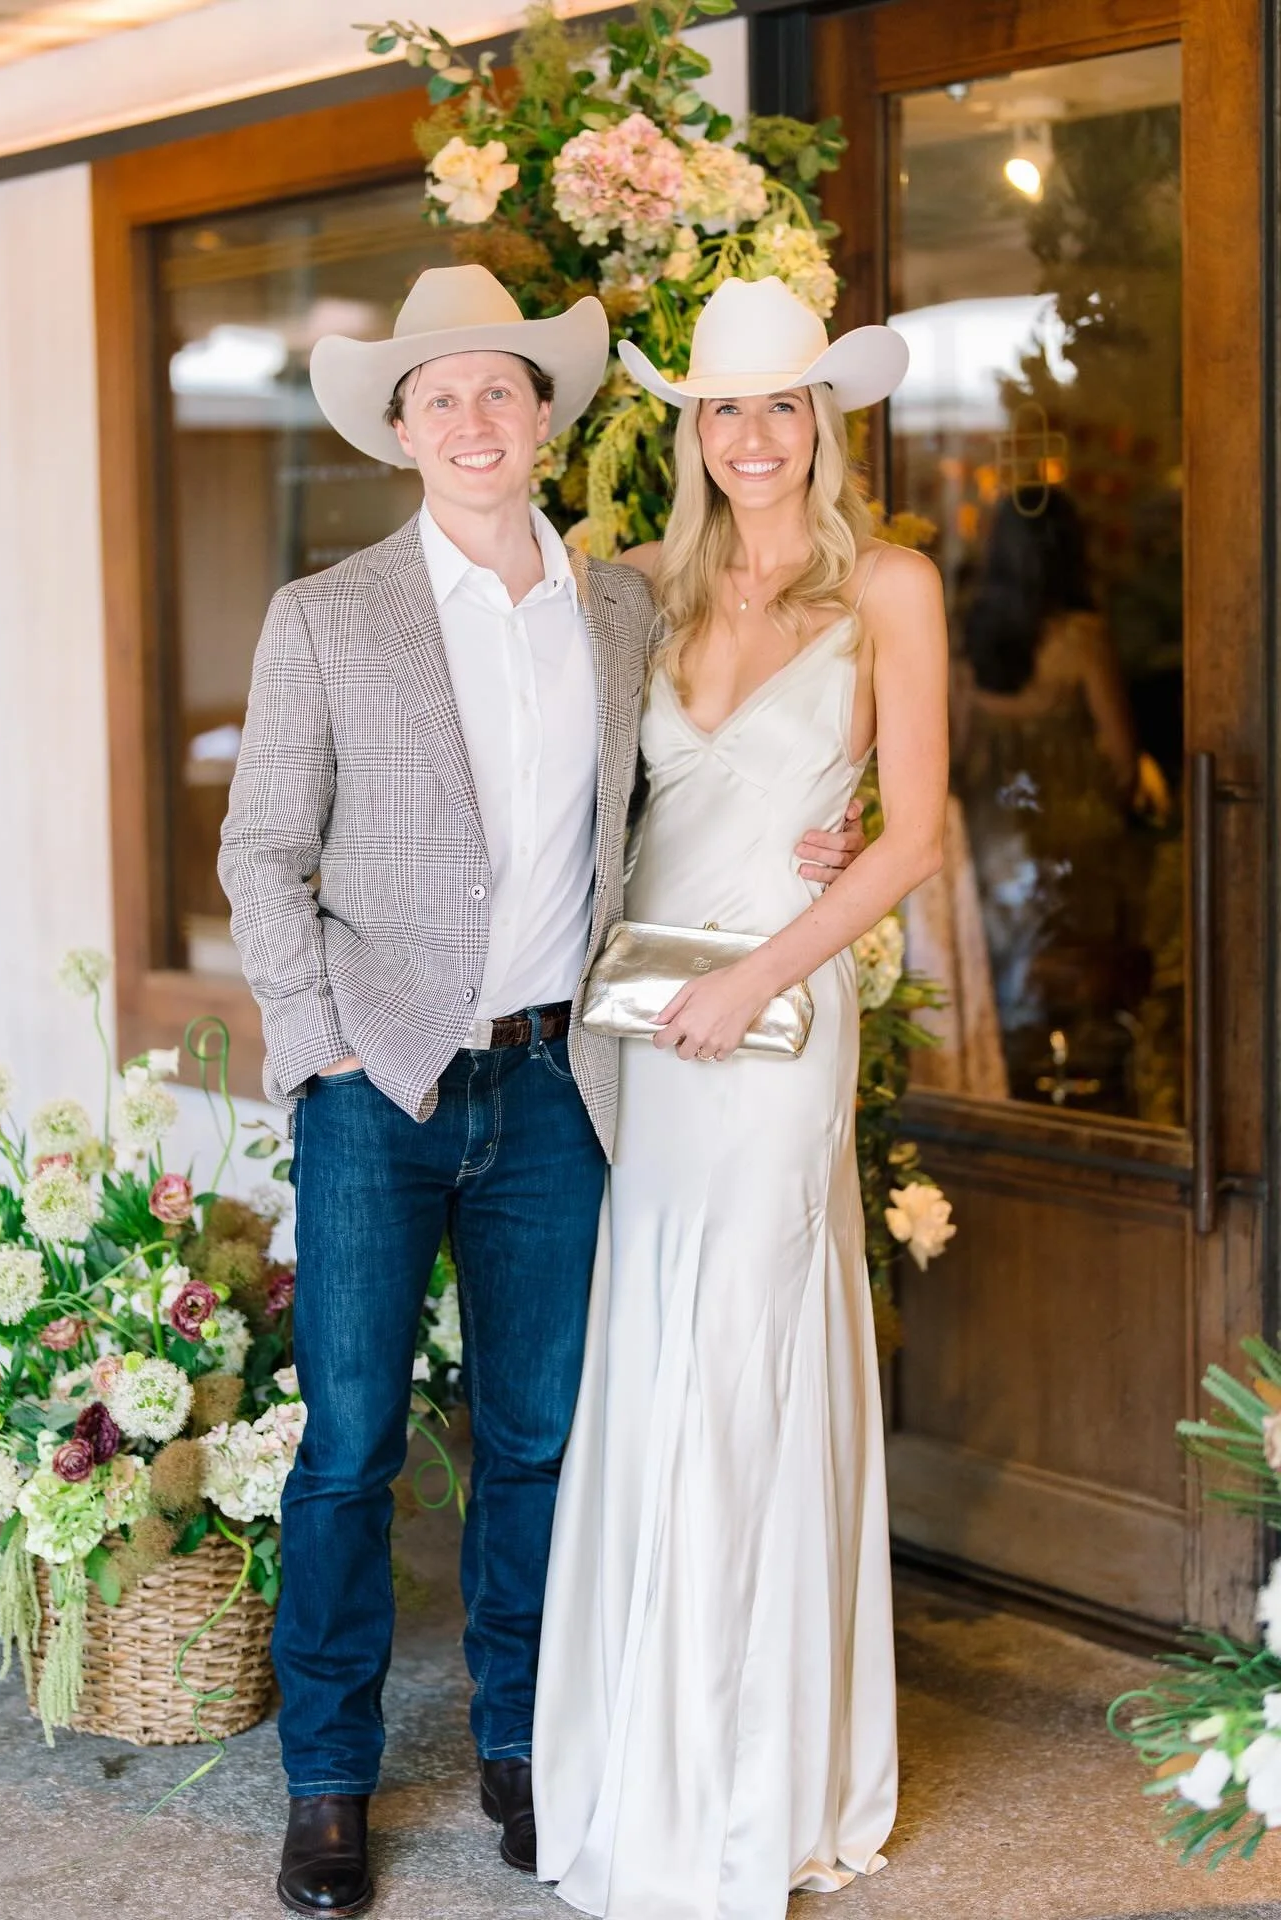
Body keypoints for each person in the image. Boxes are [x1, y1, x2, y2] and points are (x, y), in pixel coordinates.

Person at [218, 264, 864, 1918]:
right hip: (379, 1089)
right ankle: (330, 1781)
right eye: (440, 397)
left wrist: (826, 836)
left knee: (536, 1442)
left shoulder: (621, 608)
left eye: (501, 390)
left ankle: (520, 1743)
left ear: (546, 419)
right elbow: (263, 854)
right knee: (350, 1444)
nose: (474, 419)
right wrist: (329, 1047)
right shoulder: (327, 615)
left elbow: (701, 783)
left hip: (560, 1082)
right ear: (401, 433)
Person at [532, 274, 948, 1919]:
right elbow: (569, 803)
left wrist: (764, 967)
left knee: (743, 1349)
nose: (756, 436)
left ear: (822, 424)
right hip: (644, 1021)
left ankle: (743, 1785)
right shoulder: (634, 584)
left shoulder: (891, 588)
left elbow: (910, 834)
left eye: (785, 406)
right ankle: (643, 1755)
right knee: (658, 1345)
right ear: (691, 426)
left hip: (776, 1022)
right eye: (728, 406)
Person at [951, 489, 1143, 1101]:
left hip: (994, 835)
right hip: (1075, 839)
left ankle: (1017, 1087)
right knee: (1082, 977)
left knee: (1010, 971)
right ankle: (1085, 1088)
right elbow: (1121, 755)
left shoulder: (968, 642)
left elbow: (951, 753)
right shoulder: (1083, 638)